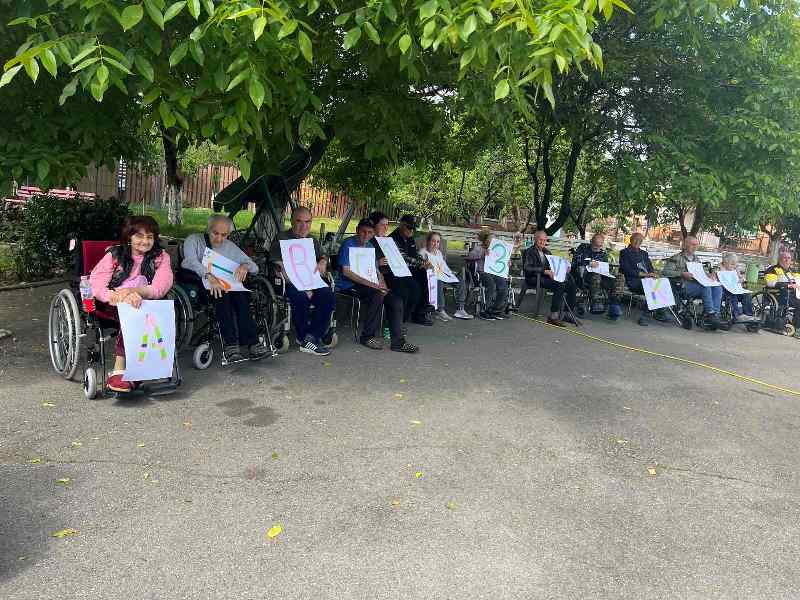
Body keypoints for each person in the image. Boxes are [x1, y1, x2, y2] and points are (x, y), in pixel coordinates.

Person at [89, 216, 173, 393]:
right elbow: (96, 285)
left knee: (143, 312)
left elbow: (161, 285)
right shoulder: (114, 255)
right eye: (139, 236)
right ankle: (119, 369)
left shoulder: (161, 257)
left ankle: (138, 371)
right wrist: (117, 296)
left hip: (147, 301)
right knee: (131, 312)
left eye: (149, 237)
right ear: (129, 237)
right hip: (114, 302)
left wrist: (136, 292)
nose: (145, 241)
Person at [181, 215, 270, 363]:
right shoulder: (194, 240)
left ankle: (252, 343)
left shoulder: (229, 246)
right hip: (201, 283)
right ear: (208, 229)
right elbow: (189, 261)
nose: (219, 239)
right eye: (215, 233)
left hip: (226, 284)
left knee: (241, 296)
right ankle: (231, 345)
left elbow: (254, 267)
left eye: (224, 235)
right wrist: (208, 275)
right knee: (222, 295)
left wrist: (244, 265)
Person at [337, 218, 419, 353]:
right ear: (357, 230)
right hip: (349, 284)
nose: (366, 235)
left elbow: (376, 270)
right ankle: (367, 336)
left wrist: (382, 284)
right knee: (377, 295)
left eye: (370, 232)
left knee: (395, 300)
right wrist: (374, 286)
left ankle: (398, 342)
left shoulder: (370, 246)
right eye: (363, 231)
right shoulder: (348, 244)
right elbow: (346, 272)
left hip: (370, 284)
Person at [268, 206, 336, 356]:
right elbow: (278, 267)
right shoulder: (282, 238)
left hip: (311, 280)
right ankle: (303, 335)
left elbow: (323, 255)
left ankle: (311, 337)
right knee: (300, 296)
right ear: (292, 221)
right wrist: (303, 287)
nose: (304, 226)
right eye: (299, 221)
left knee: (328, 295)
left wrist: (323, 261)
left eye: (307, 222)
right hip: (290, 281)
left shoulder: (312, 240)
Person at [368, 211, 425, 326]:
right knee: (403, 292)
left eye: (387, 225)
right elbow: (363, 263)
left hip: (395, 272)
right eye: (382, 225)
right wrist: (377, 263)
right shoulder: (369, 241)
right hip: (381, 275)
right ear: (374, 225)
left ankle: (402, 321)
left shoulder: (388, 240)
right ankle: (395, 324)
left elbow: (400, 257)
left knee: (415, 289)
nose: (385, 228)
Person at [662, 235, 722, 328]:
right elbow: (666, 271)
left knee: (717, 287)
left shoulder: (696, 259)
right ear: (686, 245)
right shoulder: (677, 258)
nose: (695, 247)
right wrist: (682, 273)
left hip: (696, 285)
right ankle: (710, 314)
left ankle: (715, 315)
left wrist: (709, 276)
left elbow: (701, 273)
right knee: (705, 287)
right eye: (693, 245)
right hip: (682, 286)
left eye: (696, 245)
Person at [522, 230, 577, 327]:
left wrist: (564, 268)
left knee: (571, 285)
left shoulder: (547, 251)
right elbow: (527, 268)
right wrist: (544, 271)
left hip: (546, 278)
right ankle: (553, 316)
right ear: (535, 239)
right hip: (534, 278)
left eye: (544, 240)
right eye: (540, 240)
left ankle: (567, 314)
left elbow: (553, 266)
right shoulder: (529, 251)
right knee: (559, 285)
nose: (542, 242)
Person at [390, 214, 435, 325]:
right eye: (409, 228)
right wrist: (421, 264)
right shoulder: (393, 238)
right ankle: (406, 317)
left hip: (409, 269)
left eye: (413, 228)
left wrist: (424, 261)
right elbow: (402, 257)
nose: (411, 231)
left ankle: (422, 311)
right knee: (415, 286)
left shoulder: (410, 238)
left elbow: (414, 254)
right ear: (401, 224)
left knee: (425, 274)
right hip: (397, 271)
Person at [419, 231, 473, 321]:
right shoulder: (423, 252)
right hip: (430, 278)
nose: (435, 244)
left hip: (441, 275)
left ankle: (460, 309)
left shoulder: (438, 253)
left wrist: (451, 273)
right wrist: (427, 267)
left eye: (438, 242)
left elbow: (443, 266)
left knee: (460, 281)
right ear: (428, 241)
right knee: (439, 280)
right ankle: (440, 310)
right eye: (433, 241)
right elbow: (421, 267)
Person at [570, 232, 621, 320]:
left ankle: (614, 305)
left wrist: (608, 270)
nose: (598, 248)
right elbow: (575, 262)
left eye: (600, 246)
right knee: (596, 276)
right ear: (591, 242)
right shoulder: (583, 248)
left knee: (620, 277)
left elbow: (605, 267)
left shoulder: (603, 253)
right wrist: (588, 263)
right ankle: (596, 301)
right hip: (584, 276)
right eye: (595, 246)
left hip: (602, 277)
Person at [619, 232, 666, 326]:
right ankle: (646, 316)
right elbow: (626, 270)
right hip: (634, 281)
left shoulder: (644, 253)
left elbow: (650, 268)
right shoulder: (625, 252)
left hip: (648, 280)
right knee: (654, 289)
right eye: (636, 239)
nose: (638, 242)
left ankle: (660, 312)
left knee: (663, 285)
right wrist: (645, 274)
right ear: (631, 240)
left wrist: (653, 274)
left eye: (640, 240)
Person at [465, 230, 513, 321]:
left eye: (493, 240)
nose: (491, 242)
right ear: (484, 240)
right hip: (483, 272)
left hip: (496, 273)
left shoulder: (498, 249)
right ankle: (485, 310)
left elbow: (503, 260)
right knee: (491, 285)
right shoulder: (479, 248)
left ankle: (495, 310)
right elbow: (469, 256)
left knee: (503, 286)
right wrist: (482, 254)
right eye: (490, 240)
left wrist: (507, 262)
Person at [764, 250, 800, 335]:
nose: (787, 260)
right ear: (780, 259)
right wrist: (788, 285)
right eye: (785, 258)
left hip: (794, 294)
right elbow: (770, 283)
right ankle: (796, 327)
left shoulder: (793, 271)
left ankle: (795, 326)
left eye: (789, 258)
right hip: (779, 294)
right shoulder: (772, 269)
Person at [718, 252, 756, 323]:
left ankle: (748, 315)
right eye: (732, 264)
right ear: (725, 263)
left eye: (735, 264)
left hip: (736, 290)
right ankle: (737, 315)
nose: (734, 266)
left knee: (747, 295)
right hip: (726, 292)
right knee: (733, 295)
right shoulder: (721, 270)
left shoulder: (735, 270)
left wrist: (741, 279)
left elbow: (741, 279)